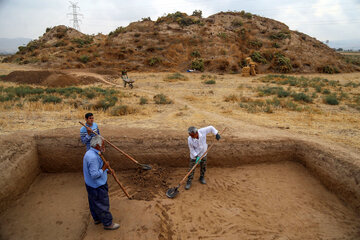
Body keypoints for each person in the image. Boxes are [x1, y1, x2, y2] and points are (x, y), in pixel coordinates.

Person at [83, 135, 120, 230]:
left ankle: (97, 218)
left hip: (90, 185)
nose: (104, 147)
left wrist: (106, 171)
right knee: (102, 204)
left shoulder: (90, 153)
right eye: (103, 145)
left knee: (93, 202)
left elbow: (94, 170)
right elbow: (94, 175)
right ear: (97, 145)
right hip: (97, 186)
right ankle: (108, 224)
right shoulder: (93, 157)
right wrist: (104, 167)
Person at [185, 126, 221, 190]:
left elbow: (211, 127)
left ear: (196, 133)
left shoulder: (202, 131)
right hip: (194, 155)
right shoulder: (189, 139)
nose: (192, 137)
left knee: (203, 166)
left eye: (193, 135)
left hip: (203, 153)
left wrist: (216, 134)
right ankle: (189, 181)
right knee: (191, 168)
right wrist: (197, 157)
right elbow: (191, 149)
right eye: (190, 135)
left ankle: (202, 177)